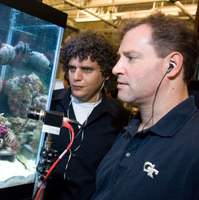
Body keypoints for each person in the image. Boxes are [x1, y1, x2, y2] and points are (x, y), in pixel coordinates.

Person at [92, 13, 199, 200]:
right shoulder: (128, 131)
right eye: (119, 58)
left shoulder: (193, 145)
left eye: (131, 58)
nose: (116, 69)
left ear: (172, 66)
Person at [42, 30, 130, 200]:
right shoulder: (51, 103)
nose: (76, 77)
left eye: (87, 70)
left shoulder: (120, 119)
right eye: (72, 68)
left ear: (105, 73)